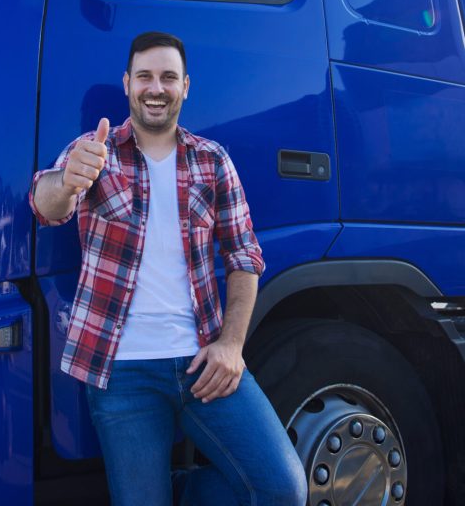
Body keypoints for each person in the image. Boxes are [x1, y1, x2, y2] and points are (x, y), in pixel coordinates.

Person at [29, 31, 307, 506]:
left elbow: (244, 256)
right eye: (145, 77)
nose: (155, 88)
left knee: (283, 490)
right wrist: (67, 180)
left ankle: (171, 492)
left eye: (168, 77)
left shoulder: (212, 160)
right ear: (127, 84)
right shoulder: (94, 152)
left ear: (185, 86)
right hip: (121, 372)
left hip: (204, 363)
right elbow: (46, 205)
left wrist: (232, 345)